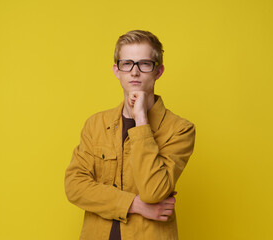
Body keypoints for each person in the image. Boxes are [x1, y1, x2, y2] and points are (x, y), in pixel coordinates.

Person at [64, 30, 196, 240]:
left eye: (144, 64)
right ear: (117, 70)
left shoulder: (180, 129)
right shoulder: (95, 124)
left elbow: (154, 191)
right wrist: (136, 205)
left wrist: (141, 119)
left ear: (158, 71)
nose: (134, 72)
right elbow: (74, 186)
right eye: (127, 63)